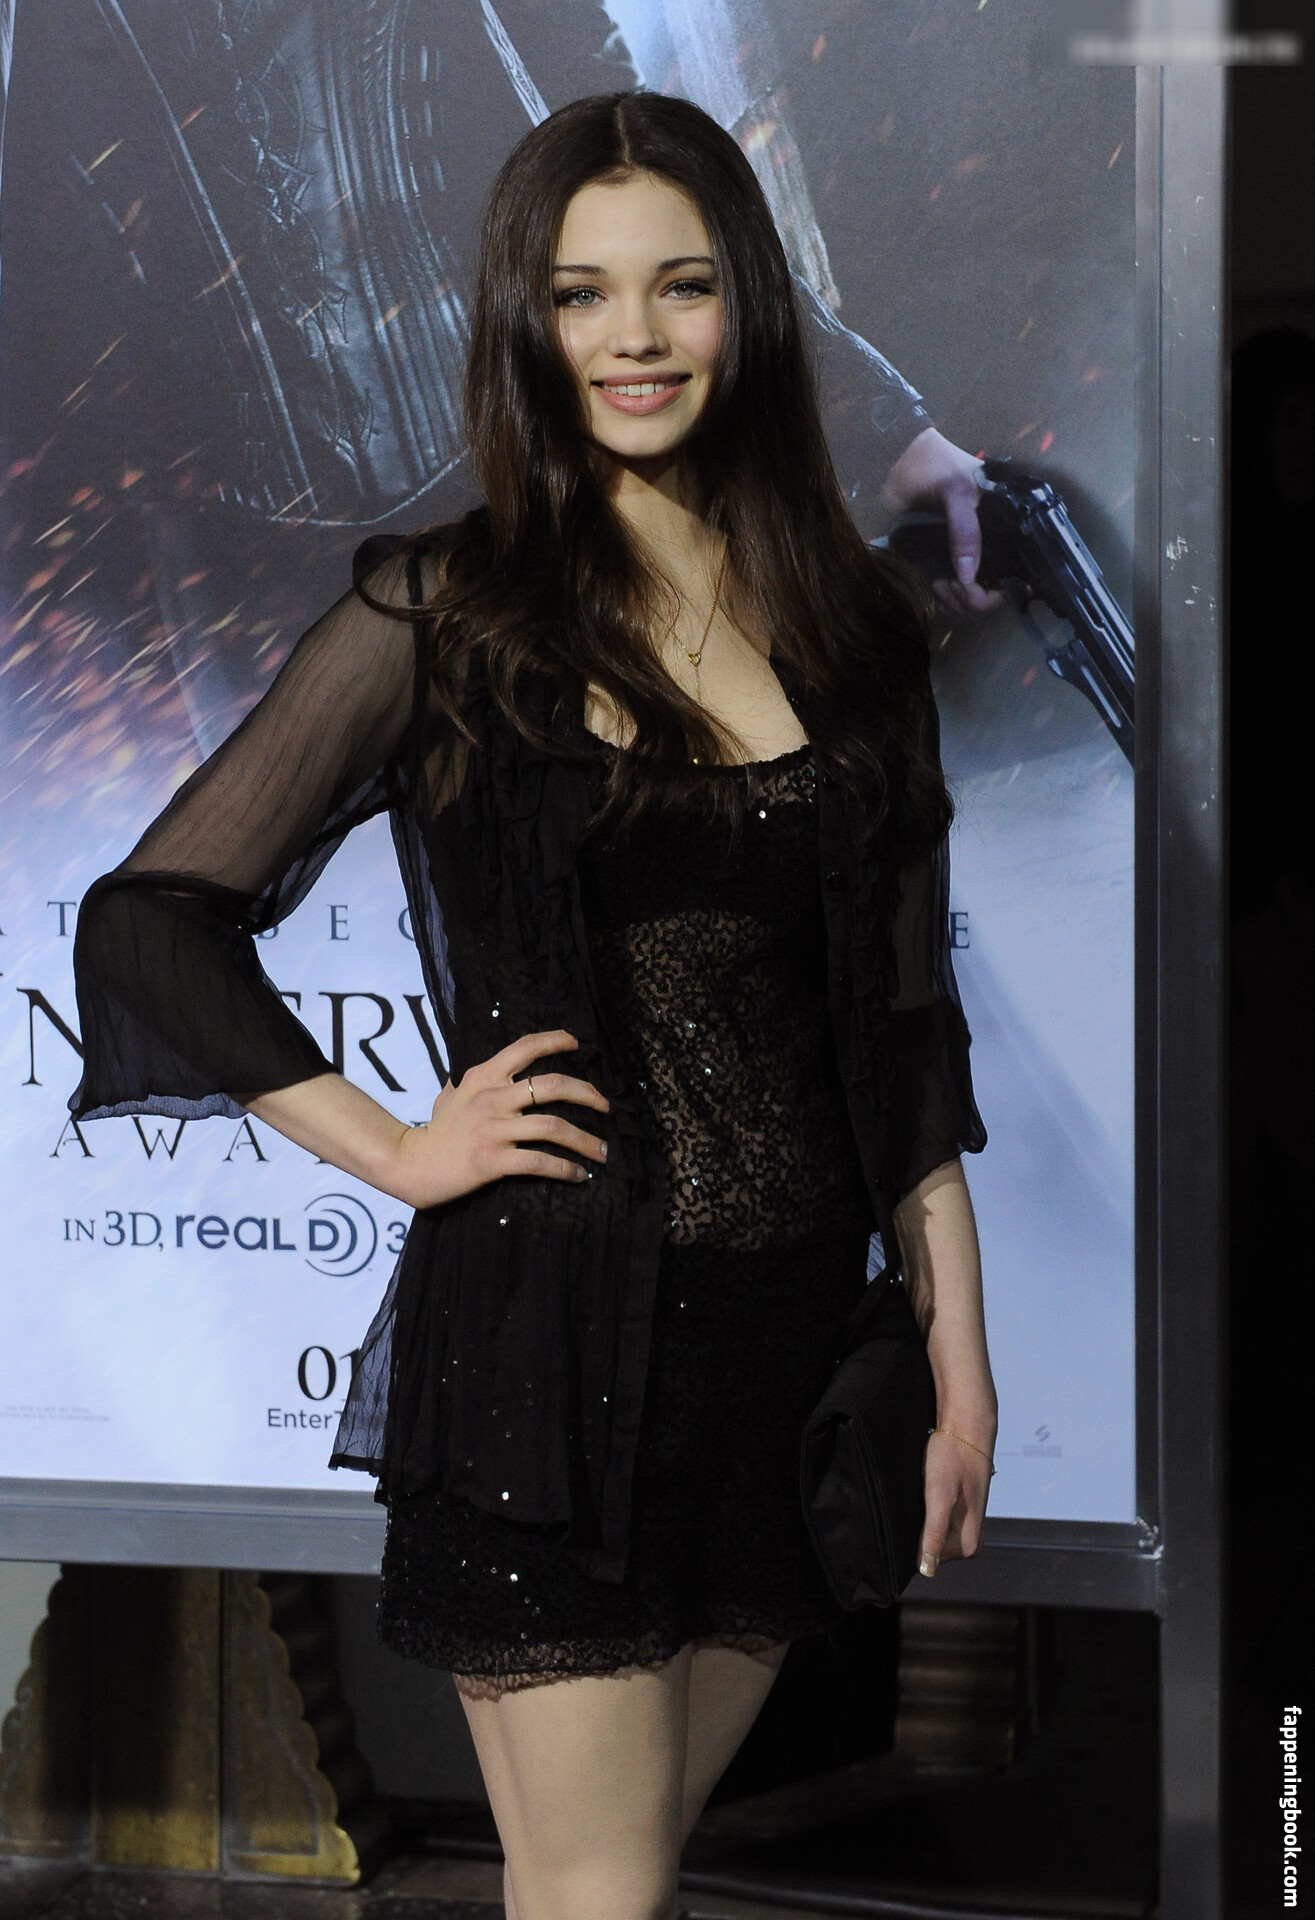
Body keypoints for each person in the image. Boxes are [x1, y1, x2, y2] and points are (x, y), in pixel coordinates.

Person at [70, 93, 996, 1920]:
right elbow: (151, 928)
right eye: (582, 294)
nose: (635, 337)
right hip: (548, 1376)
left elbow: (902, 1046)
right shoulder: (451, 615)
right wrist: (401, 1150)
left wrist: (959, 1368)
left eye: (681, 286)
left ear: (748, 310)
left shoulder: (855, 638)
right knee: (599, 1893)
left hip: (789, 1378)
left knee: (603, 1886)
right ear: (524, 318)